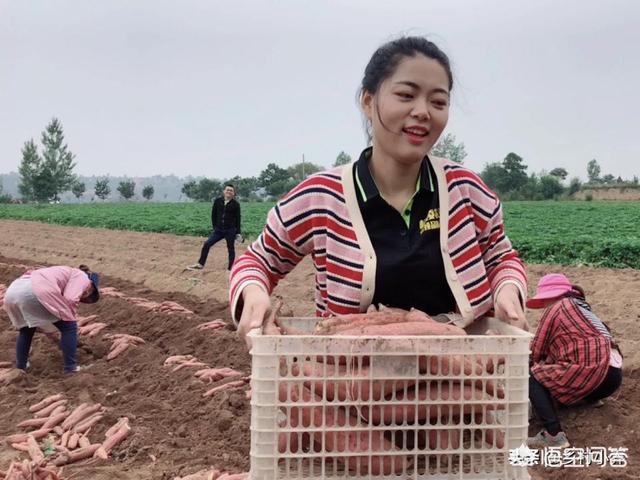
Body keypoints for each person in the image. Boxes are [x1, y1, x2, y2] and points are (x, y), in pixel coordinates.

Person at [230, 36, 527, 343]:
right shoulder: (321, 196)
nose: (423, 111)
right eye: (406, 95)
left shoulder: (465, 190)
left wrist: (507, 288)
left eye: (438, 101)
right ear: (369, 101)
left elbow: (500, 258)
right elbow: (257, 261)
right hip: (349, 380)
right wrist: (253, 292)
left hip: (461, 377)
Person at [526, 273, 623, 448]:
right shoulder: (582, 308)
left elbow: (536, 351)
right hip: (613, 375)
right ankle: (590, 399)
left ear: (553, 296)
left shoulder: (557, 307)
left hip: (594, 372)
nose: (544, 305)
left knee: (532, 376)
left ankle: (553, 435)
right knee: (558, 369)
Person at [3, 264, 101, 373]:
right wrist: (70, 318)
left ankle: (21, 366)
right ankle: (71, 368)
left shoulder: (64, 271)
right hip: (36, 290)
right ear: (91, 285)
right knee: (69, 327)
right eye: (90, 292)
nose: (86, 295)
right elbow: (70, 299)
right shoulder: (82, 277)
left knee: (26, 330)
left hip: (13, 292)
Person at [187, 184, 242, 271]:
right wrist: (215, 227)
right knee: (207, 244)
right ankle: (200, 264)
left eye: (231, 190)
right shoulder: (218, 201)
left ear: (234, 193)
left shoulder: (236, 204)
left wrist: (238, 233)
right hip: (219, 230)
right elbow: (213, 215)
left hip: (230, 230)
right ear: (224, 191)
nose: (229, 192)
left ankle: (230, 269)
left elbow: (238, 219)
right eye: (227, 190)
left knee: (231, 249)